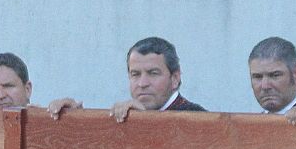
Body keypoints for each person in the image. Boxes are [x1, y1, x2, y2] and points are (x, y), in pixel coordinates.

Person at [46, 37, 204, 122]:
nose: (142, 83)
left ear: (175, 78)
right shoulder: (126, 115)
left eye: (153, 73)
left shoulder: (200, 120)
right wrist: (72, 120)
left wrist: (144, 121)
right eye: (135, 74)